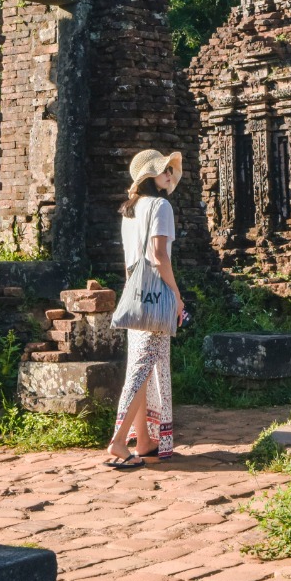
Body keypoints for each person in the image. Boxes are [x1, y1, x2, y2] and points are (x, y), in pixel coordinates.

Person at [106, 148, 185, 469]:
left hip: (135, 295)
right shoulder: (161, 206)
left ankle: (145, 441)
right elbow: (158, 255)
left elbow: (132, 261)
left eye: (169, 168)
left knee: (142, 367)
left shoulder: (131, 209)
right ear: (150, 176)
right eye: (164, 169)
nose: (169, 173)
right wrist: (177, 296)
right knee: (142, 371)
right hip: (155, 295)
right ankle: (117, 442)